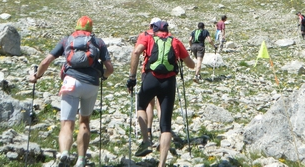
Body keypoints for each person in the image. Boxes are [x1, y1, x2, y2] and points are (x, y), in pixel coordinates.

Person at [29, 16, 114, 167]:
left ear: (76, 27)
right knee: (85, 122)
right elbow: (110, 69)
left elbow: (45, 61)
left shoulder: (66, 40)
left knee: (67, 123)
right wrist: (104, 77)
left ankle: (64, 154)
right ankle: (81, 160)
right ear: (90, 28)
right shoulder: (98, 42)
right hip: (91, 85)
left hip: (71, 83)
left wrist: (37, 76)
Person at [127, 20, 195, 167]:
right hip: (169, 83)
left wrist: (132, 77)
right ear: (167, 30)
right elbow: (191, 64)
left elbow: (136, 52)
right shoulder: (175, 41)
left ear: (154, 30)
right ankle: (162, 164)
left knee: (141, 105)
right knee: (165, 125)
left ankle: (146, 140)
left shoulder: (148, 38)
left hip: (151, 78)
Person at [136, 17, 163, 142]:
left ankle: (148, 130)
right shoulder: (166, 36)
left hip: (148, 72)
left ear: (150, 25)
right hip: (165, 73)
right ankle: (164, 131)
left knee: (148, 103)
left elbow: (137, 51)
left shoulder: (144, 35)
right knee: (161, 104)